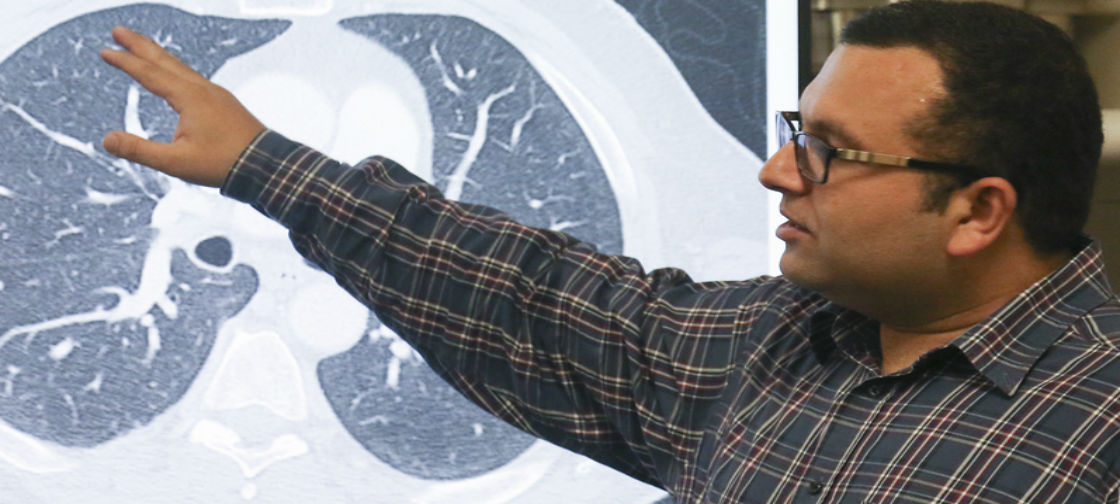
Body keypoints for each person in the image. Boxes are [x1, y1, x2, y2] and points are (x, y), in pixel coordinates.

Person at [98, 0, 1119, 501]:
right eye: (792, 131)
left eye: (828, 151)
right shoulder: (785, 339)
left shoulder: (1094, 431)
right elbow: (532, 300)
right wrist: (262, 163)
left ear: (977, 212)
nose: (776, 172)